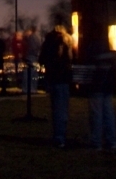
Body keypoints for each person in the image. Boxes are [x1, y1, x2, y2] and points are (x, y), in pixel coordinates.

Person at [39, 14, 74, 148]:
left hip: (52, 78)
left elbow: (41, 59)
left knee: (55, 108)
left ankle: (57, 135)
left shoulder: (48, 41)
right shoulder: (67, 42)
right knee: (63, 109)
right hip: (63, 79)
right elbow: (71, 59)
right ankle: (61, 136)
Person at [86, 37, 116, 151]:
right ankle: (111, 141)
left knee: (96, 114)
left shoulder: (92, 48)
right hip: (107, 87)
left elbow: (90, 67)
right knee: (109, 114)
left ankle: (96, 142)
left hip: (96, 86)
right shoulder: (109, 49)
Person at [23, 25, 41, 93]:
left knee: (28, 74)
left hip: (30, 56)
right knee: (33, 74)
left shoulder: (31, 37)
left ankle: (28, 89)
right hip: (34, 57)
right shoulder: (37, 38)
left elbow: (31, 47)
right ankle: (33, 88)